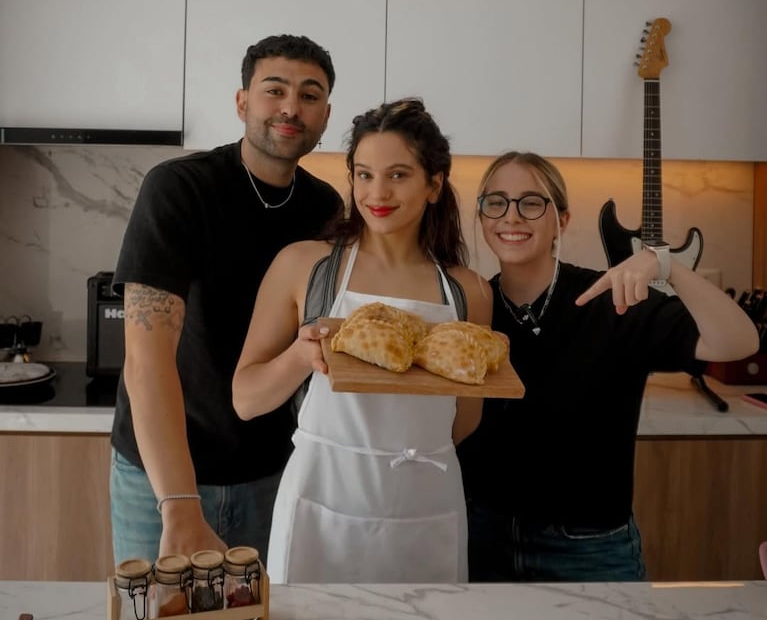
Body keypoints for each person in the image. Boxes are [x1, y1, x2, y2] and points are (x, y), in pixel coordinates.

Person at [458, 151, 759, 583]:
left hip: (590, 549)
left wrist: (666, 265)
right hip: (484, 538)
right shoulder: (472, 308)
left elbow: (739, 342)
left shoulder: (612, 301)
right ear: (482, 216)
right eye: (496, 202)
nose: (512, 216)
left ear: (562, 220)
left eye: (531, 202)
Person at [233, 98, 493, 584]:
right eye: (364, 174)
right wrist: (301, 355)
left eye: (398, 175)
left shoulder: (469, 291)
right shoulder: (303, 266)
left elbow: (465, 420)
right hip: (322, 500)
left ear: (434, 184)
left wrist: (398, 460)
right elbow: (246, 400)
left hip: (426, 507)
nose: (377, 192)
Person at [110, 34, 344, 565]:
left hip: (269, 474)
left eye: (309, 95)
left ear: (326, 115)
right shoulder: (179, 188)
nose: (291, 107)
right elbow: (146, 362)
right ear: (242, 102)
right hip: (162, 478)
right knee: (157, 615)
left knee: (261, 618)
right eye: (274, 90)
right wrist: (179, 505)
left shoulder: (325, 209)